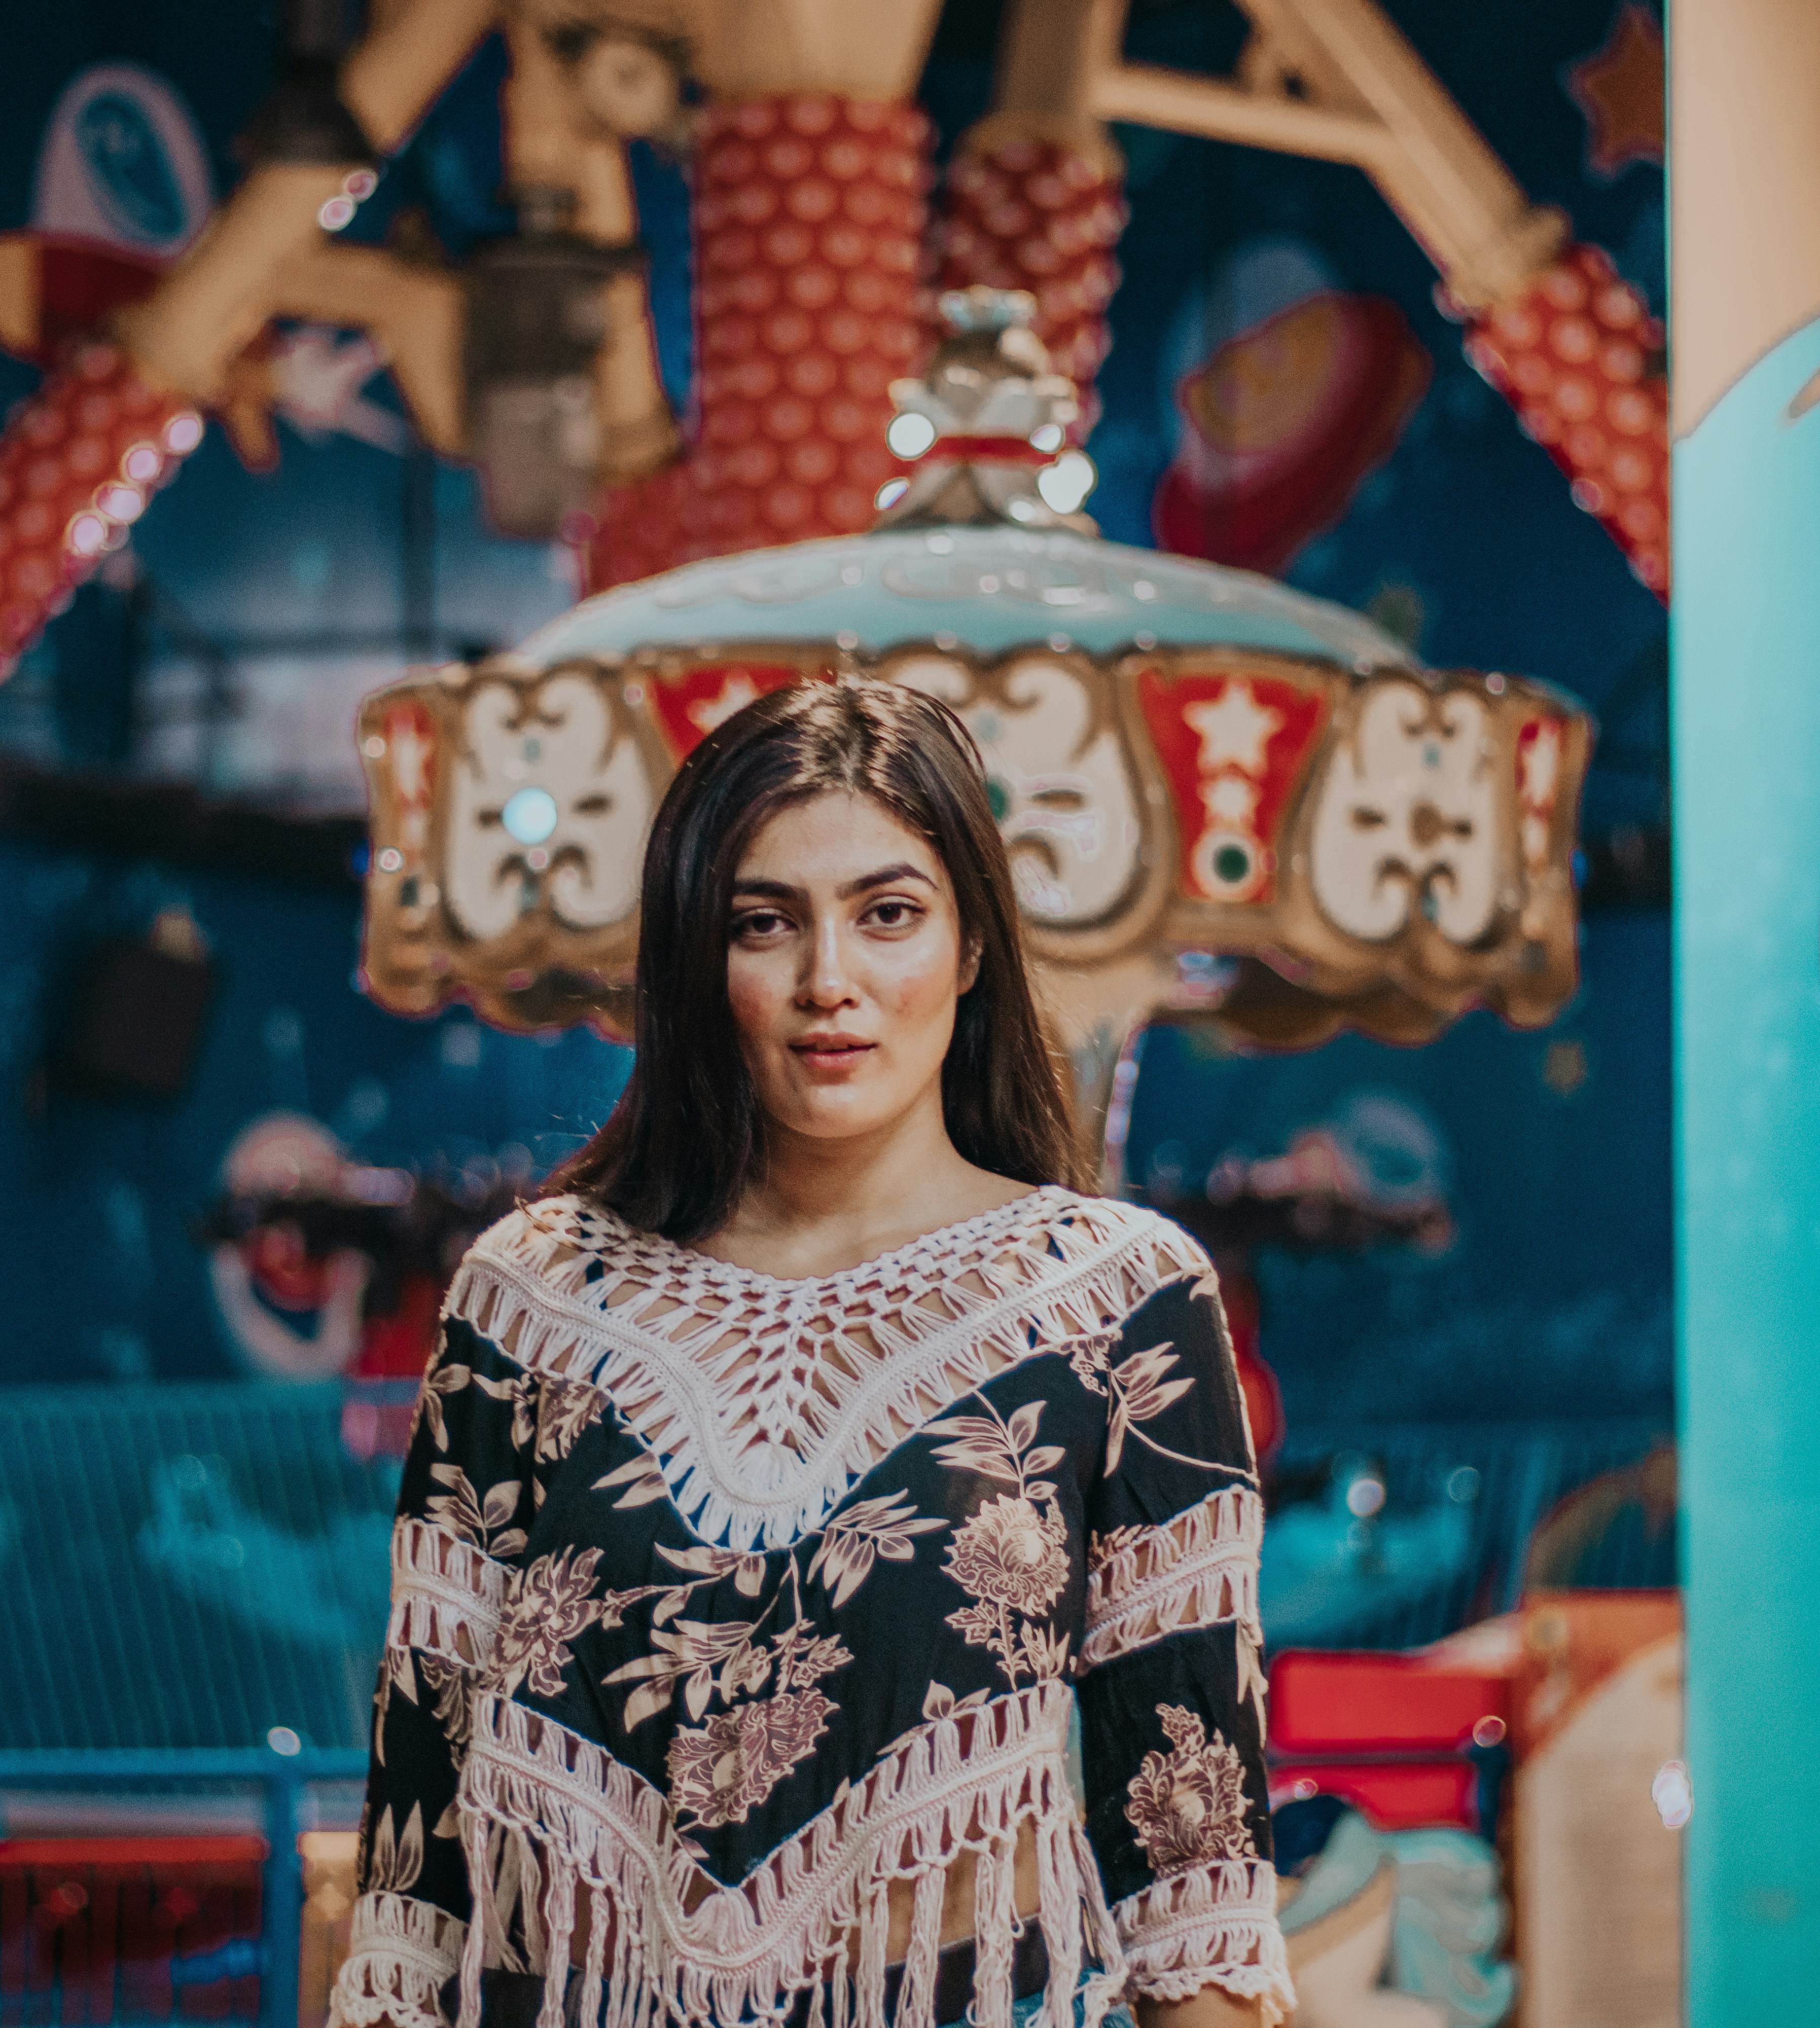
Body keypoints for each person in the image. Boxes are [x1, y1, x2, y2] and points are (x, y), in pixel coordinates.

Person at [332, 681, 1288, 2028]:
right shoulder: (527, 1306)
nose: (829, 980)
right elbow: (414, 1865)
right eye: (764, 923)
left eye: (888, 914)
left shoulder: (1117, 1302)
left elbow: (1195, 1877)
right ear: (693, 961)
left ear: (969, 949)